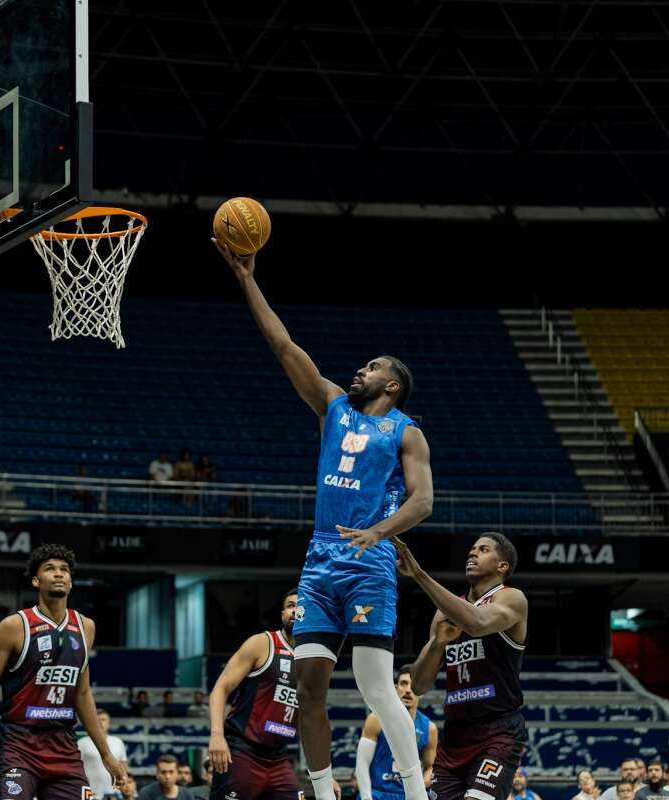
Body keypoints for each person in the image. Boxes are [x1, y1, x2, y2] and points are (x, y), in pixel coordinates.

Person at [214, 238, 433, 800]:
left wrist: (380, 532)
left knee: (376, 687)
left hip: (369, 561)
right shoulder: (333, 406)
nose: (359, 370)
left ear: (392, 385)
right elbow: (283, 343)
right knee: (309, 687)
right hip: (320, 561)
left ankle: (414, 793)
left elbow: (422, 501)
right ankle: (321, 788)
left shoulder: (405, 431)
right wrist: (246, 279)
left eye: (372, 367)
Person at [0, 544, 125, 800]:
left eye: (64, 570)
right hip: (19, 743)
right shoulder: (14, 626)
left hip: (63, 745)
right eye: (50, 569)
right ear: (35, 580)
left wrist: (106, 754)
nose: (58, 574)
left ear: (71, 582)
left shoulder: (86, 627)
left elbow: (83, 694)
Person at [398, 533, 527, 800]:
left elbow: (477, 622)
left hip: (498, 731)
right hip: (455, 735)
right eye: (471, 549)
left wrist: (419, 575)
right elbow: (420, 684)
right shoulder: (444, 613)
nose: (472, 553)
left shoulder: (511, 598)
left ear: (502, 566)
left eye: (483, 550)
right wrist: (437, 645)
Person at [207, 589, 308, 800]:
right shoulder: (263, 643)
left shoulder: (312, 660)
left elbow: (312, 719)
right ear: (282, 614)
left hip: (279, 756)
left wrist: (323, 773)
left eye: (301, 606)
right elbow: (220, 688)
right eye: (290, 606)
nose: (295, 610)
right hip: (243, 749)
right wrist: (217, 736)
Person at [356, 667, 437, 800]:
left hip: (407, 796)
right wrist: (366, 797)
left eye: (413, 685)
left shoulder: (429, 728)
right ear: (395, 688)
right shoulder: (376, 718)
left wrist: (417, 790)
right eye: (403, 683)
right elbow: (362, 763)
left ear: (421, 691)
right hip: (376, 794)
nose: (408, 690)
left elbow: (430, 767)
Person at [78, 710, 128, 800]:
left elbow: (123, 765)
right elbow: (76, 766)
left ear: (109, 723)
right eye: (97, 720)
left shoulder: (118, 742)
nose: (100, 722)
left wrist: (123, 782)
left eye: (103, 719)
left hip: (113, 793)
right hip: (89, 792)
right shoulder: (82, 743)